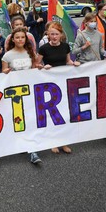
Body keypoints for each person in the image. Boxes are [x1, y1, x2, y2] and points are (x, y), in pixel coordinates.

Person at [37, 22, 80, 154]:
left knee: (64, 112)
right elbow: (37, 64)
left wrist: (74, 64)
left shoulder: (66, 46)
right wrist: (43, 67)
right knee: (52, 113)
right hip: (49, 84)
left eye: (56, 34)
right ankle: (53, 142)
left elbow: (67, 61)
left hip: (63, 82)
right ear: (48, 35)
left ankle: (64, 142)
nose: (54, 36)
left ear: (61, 35)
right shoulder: (44, 48)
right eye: (51, 34)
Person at [1, 27, 42, 165]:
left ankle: (32, 149)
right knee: (19, 120)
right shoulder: (7, 56)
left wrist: (41, 68)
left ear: (26, 39)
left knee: (30, 118)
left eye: (22, 37)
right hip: (15, 93)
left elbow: (35, 68)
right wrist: (6, 72)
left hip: (29, 90)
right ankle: (20, 143)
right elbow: (2, 75)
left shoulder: (30, 53)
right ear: (13, 39)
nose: (20, 40)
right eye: (17, 37)